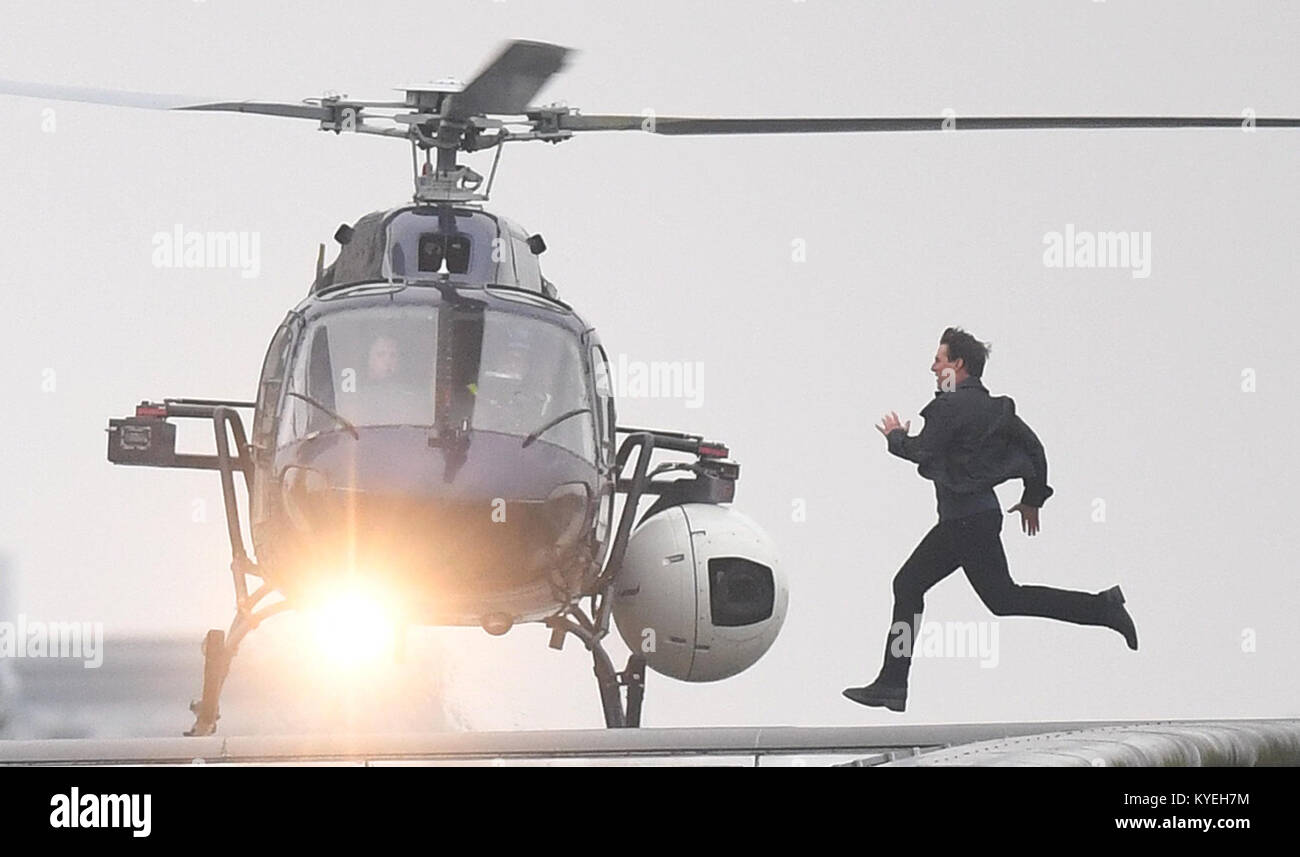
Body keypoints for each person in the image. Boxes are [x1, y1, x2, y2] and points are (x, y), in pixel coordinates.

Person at [843, 327, 1137, 713]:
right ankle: (892, 683)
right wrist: (1033, 497)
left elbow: (923, 451)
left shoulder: (949, 407)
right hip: (973, 519)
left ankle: (1103, 607)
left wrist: (896, 438)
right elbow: (1035, 449)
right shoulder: (996, 408)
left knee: (940, 589)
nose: (933, 367)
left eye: (940, 359)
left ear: (958, 365)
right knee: (962, 592)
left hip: (965, 522)